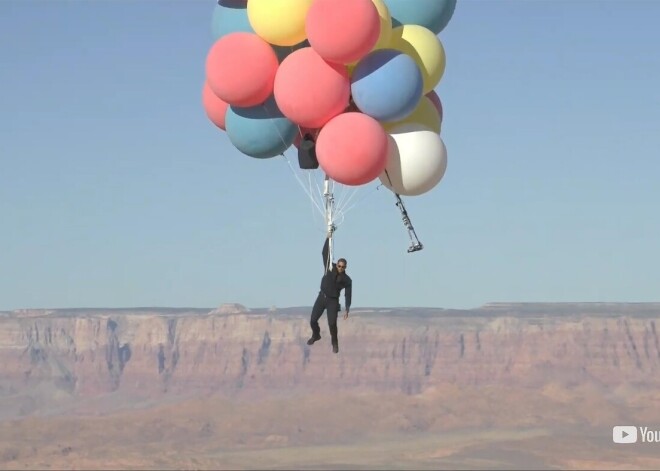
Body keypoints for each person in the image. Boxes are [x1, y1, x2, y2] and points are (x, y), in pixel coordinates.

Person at [307, 232, 352, 353]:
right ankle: (316, 335)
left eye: (343, 267)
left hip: (333, 301)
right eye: (339, 265)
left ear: (345, 268)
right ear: (336, 264)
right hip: (322, 297)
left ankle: (334, 342)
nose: (340, 268)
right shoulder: (329, 267)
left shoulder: (347, 280)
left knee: (332, 324)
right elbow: (325, 253)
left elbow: (348, 294)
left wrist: (347, 308)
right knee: (312, 320)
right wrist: (328, 238)